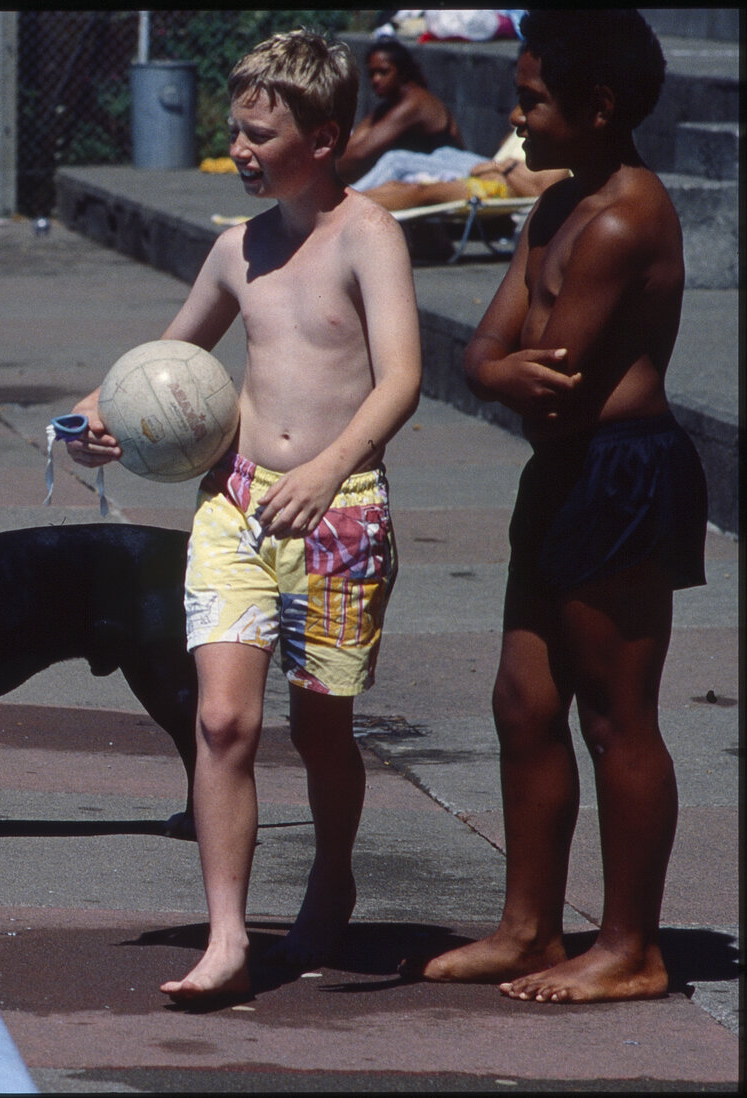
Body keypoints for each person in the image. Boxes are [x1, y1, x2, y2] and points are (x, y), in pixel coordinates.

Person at [66, 28, 421, 1004]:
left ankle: (332, 874)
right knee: (222, 720)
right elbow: (157, 366)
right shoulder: (237, 250)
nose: (242, 149)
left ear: (326, 139)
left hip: (339, 513)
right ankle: (228, 936)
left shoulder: (368, 236)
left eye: (261, 134)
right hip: (234, 508)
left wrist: (336, 464)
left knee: (320, 731)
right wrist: (89, 424)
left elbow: (402, 380)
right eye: (237, 131)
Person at [416, 10, 705, 1004]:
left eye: (533, 99)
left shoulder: (627, 216)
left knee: (617, 718)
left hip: (623, 472)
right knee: (524, 703)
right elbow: (483, 353)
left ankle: (633, 947)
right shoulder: (555, 208)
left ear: (600, 106)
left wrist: (498, 369)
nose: (516, 115)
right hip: (562, 476)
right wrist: (497, 368)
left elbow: (555, 383)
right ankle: (531, 927)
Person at [337, 40, 468, 184]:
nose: (375, 79)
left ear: (402, 72)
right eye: (372, 73)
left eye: (383, 72)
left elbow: (359, 155)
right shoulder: (385, 108)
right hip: (421, 175)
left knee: (394, 161)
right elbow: (350, 148)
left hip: (454, 167)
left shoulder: (416, 102)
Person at [360, 129, 572, 212]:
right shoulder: (530, 145)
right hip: (487, 181)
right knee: (396, 185)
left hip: (498, 190)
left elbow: (539, 194)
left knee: (420, 192)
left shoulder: (558, 160)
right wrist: (502, 167)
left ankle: (353, 209)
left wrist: (504, 169)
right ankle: (349, 202)